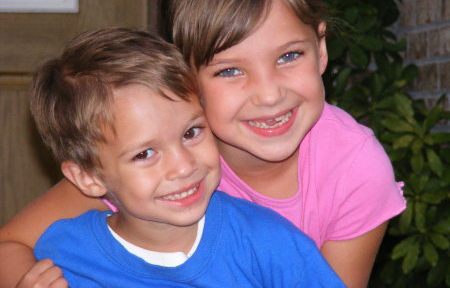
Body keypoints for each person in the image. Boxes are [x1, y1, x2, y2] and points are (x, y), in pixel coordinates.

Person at [0, 0, 406, 287]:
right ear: (183, 78)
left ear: (320, 48)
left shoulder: (355, 170)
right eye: (229, 70)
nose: (269, 95)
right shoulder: (156, 152)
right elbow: (9, 247)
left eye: (288, 56)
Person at [26, 28, 346, 288]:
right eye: (145, 154)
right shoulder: (63, 256)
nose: (184, 166)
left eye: (191, 133)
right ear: (87, 177)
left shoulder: (270, 244)